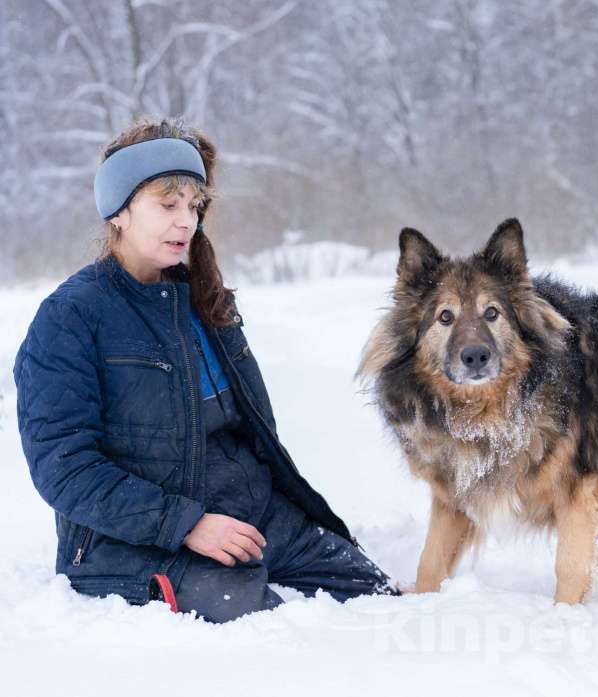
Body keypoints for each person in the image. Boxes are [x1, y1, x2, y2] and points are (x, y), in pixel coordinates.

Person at [14, 119, 398, 622]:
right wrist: (186, 524)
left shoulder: (202, 298)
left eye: (193, 207)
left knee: (378, 600)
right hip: (133, 540)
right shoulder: (70, 317)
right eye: (167, 205)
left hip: (248, 511)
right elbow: (64, 467)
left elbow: (250, 429)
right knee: (274, 631)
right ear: (119, 211)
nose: (185, 222)